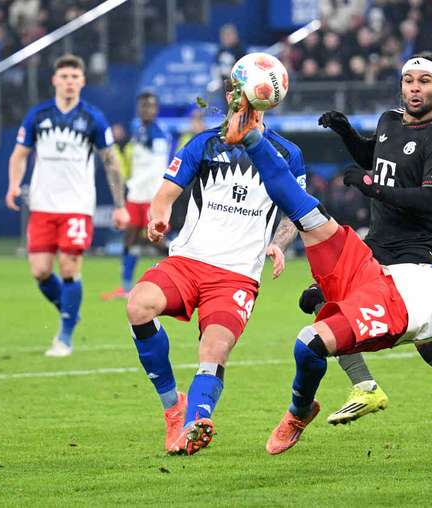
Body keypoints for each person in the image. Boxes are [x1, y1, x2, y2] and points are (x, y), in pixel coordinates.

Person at [221, 106, 432, 483]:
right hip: (375, 271)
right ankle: (251, 138)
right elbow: (415, 276)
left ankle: (300, 411)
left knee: (308, 343)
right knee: (307, 211)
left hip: (394, 311)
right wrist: (337, 286)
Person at [304, 52, 432, 465]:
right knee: (326, 305)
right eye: (408, 80)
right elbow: (375, 159)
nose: (415, 88)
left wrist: (372, 189)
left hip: (418, 252)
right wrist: (346, 133)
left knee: (430, 346)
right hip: (378, 245)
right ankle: (365, 387)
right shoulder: (388, 121)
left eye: (424, 82)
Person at [124, 79, 301, 456]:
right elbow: (164, 196)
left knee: (215, 348)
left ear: (267, 98)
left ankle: (196, 422)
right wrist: (158, 219)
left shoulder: (287, 153)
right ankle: (174, 408)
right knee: (138, 305)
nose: (243, 99)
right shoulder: (203, 144)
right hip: (188, 261)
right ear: (229, 97)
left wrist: (279, 243)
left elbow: (295, 213)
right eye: (236, 91)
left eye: (250, 91)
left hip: (237, 274)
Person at [5, 54, 129, 357]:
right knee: (40, 271)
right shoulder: (38, 115)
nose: (69, 82)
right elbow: (19, 154)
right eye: (64, 77)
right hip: (43, 204)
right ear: (54, 81)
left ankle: (65, 337)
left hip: (76, 205)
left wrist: (120, 204)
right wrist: (13, 184)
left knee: (70, 267)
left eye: (75, 77)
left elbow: (111, 162)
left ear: (83, 81)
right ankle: (70, 310)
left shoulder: (93, 118)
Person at [103, 91, 172, 299]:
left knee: (158, 242)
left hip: (152, 197)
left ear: (156, 110)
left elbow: (158, 164)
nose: (146, 110)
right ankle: (125, 288)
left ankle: (178, 278)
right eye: (143, 106)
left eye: (150, 106)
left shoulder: (159, 133)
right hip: (136, 195)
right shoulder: (137, 130)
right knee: (129, 240)